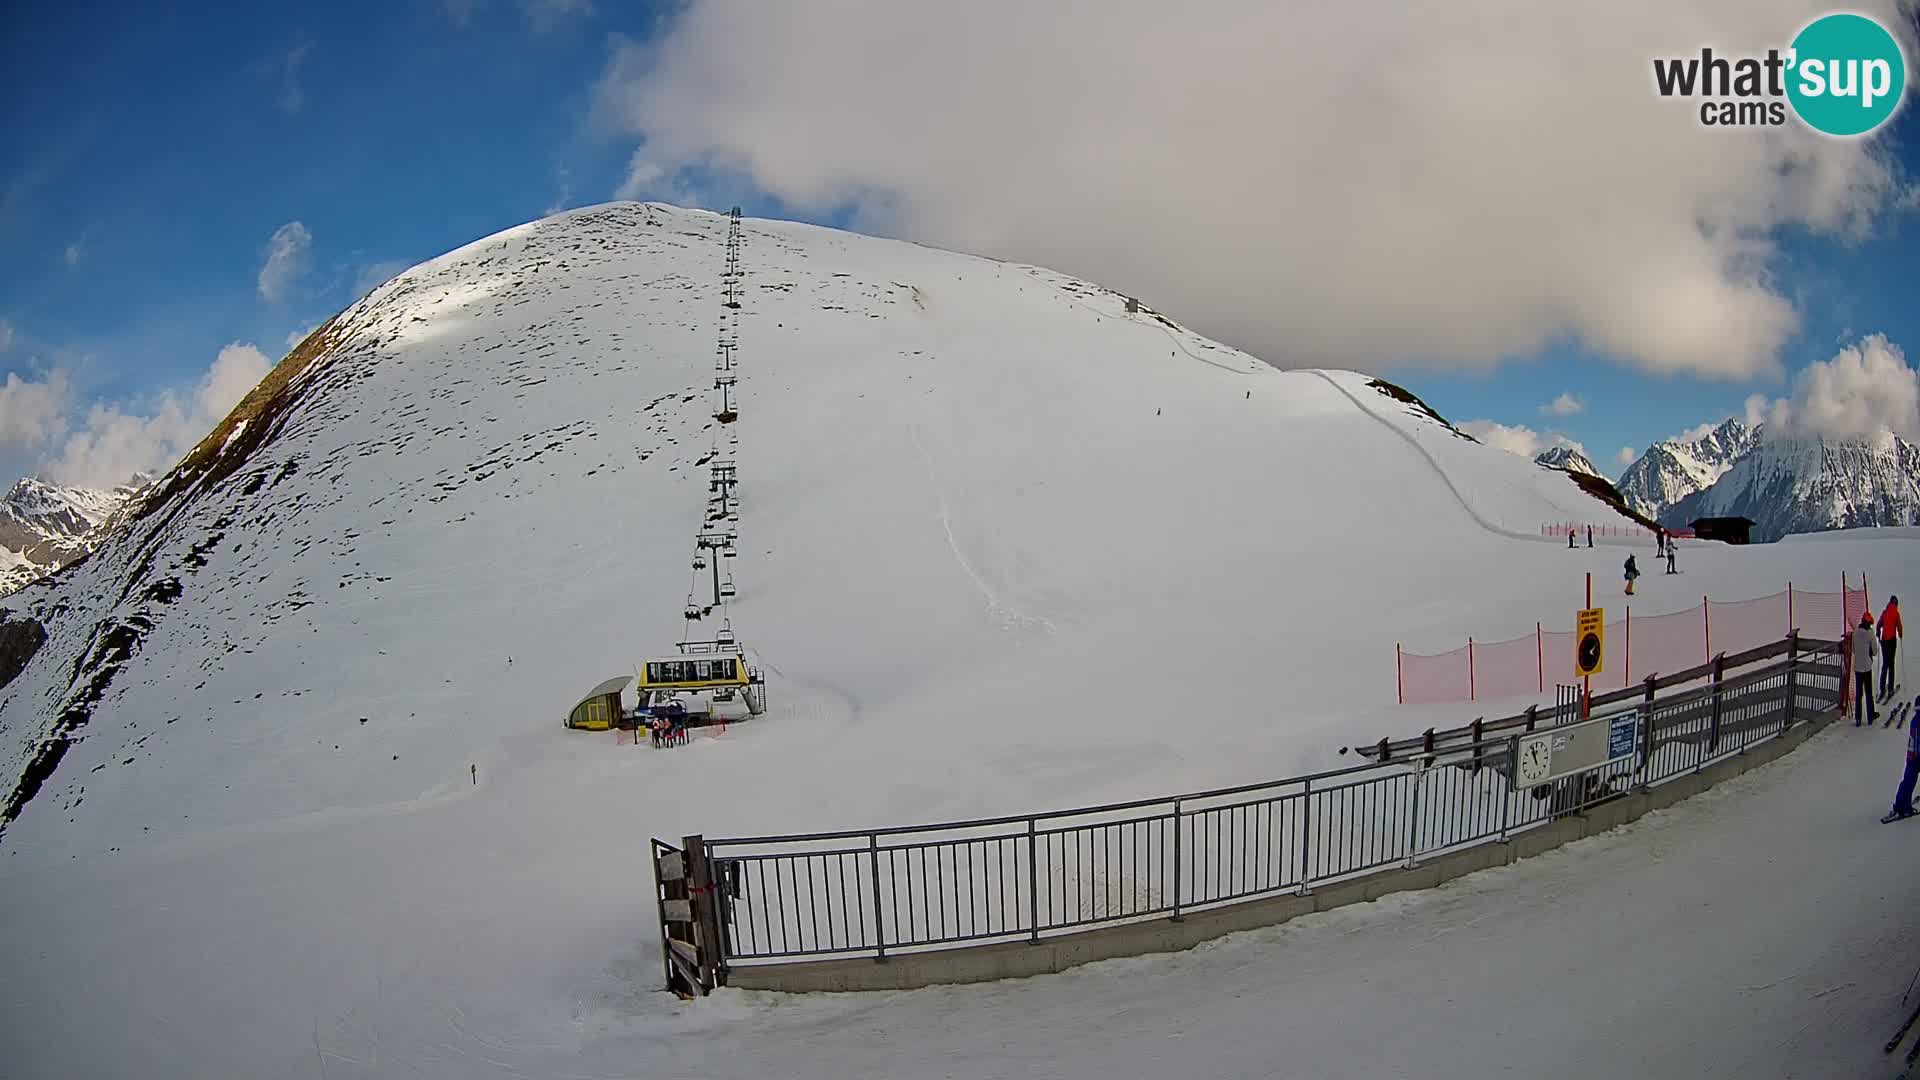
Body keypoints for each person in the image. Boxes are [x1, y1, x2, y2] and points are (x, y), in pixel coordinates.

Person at [1885, 702, 1920, 822]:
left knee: (1908, 781)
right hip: (1916, 757)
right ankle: (1902, 807)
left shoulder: (1916, 719)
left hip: (1913, 757)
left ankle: (1903, 805)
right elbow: (1917, 742)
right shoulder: (1918, 721)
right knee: (1908, 782)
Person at [1854, 613, 1881, 725]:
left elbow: (1853, 650)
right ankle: (1870, 716)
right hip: (1867, 668)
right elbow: (1875, 651)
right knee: (1869, 693)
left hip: (1857, 668)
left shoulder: (1855, 633)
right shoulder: (1870, 634)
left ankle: (1858, 718)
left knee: (1858, 694)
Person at [1879, 596, 1904, 699]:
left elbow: (1879, 624)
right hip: (1892, 642)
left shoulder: (1885, 612)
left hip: (1884, 641)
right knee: (1891, 664)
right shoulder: (1896, 614)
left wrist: (1877, 632)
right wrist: (1901, 634)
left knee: (1885, 664)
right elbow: (1899, 626)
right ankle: (1890, 690)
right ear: (1896, 603)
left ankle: (1882, 689)